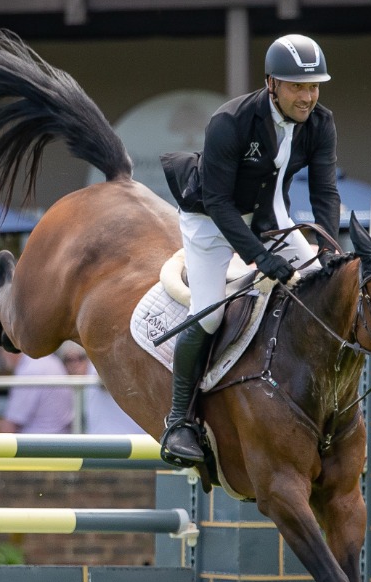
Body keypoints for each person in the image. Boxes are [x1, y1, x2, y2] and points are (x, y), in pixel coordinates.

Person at [156, 33, 340, 467]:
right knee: (211, 310)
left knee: (324, 288)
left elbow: (325, 191)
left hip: (270, 215)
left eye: (314, 86)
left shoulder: (322, 123)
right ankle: (179, 419)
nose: (308, 96)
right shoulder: (230, 121)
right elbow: (219, 203)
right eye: (297, 86)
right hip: (210, 223)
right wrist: (260, 257)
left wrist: (330, 249)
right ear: (271, 83)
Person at [0, 342, 81, 435]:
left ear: (13, 348)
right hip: (58, 439)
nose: (2, 355)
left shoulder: (30, 370)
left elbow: (10, 425)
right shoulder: (48, 360)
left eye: (3, 349)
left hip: (39, 443)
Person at [64, 345, 147, 435]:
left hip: (121, 442)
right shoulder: (75, 387)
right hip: (102, 442)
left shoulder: (96, 369)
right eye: (68, 360)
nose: (75, 364)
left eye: (81, 358)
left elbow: (110, 373)